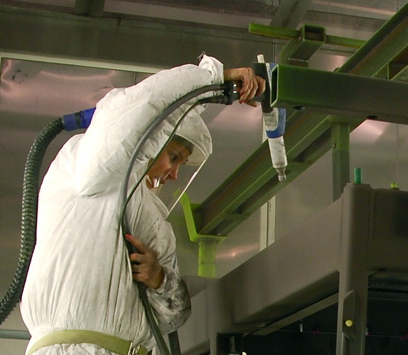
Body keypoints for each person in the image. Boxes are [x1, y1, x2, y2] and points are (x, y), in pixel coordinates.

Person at [20, 53, 265, 355]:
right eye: (173, 157)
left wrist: (159, 278)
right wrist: (212, 79)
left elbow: (174, 316)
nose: (174, 173)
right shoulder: (87, 167)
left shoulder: (146, 217)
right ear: (152, 139)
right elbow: (136, 110)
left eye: (182, 164)